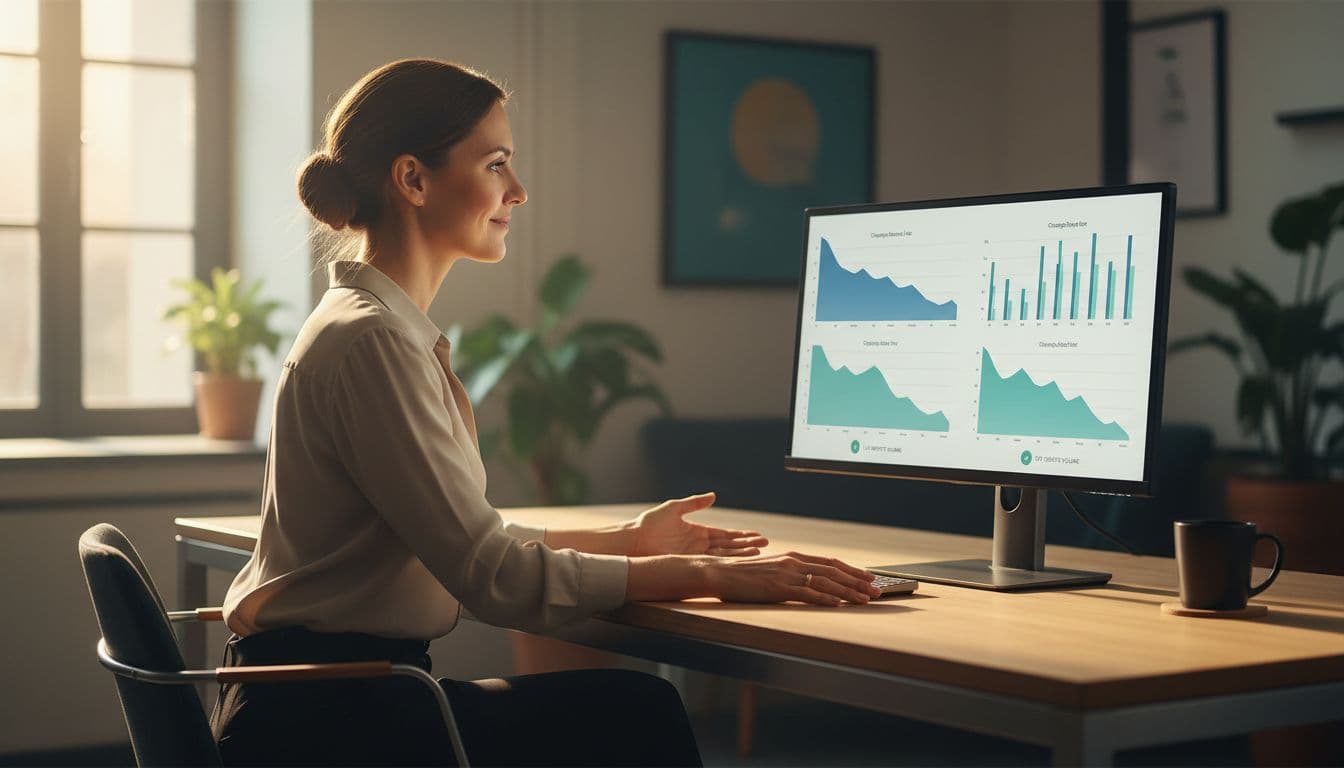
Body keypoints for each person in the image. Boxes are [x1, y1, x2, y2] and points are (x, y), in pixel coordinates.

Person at [211, 57, 882, 767]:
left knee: (622, 710)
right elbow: (493, 575)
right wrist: (708, 575)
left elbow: (469, 537)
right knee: (637, 709)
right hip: (333, 725)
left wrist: (631, 540)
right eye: (497, 165)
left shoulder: (367, 325)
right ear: (412, 180)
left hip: (321, 700)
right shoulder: (374, 340)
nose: (519, 191)